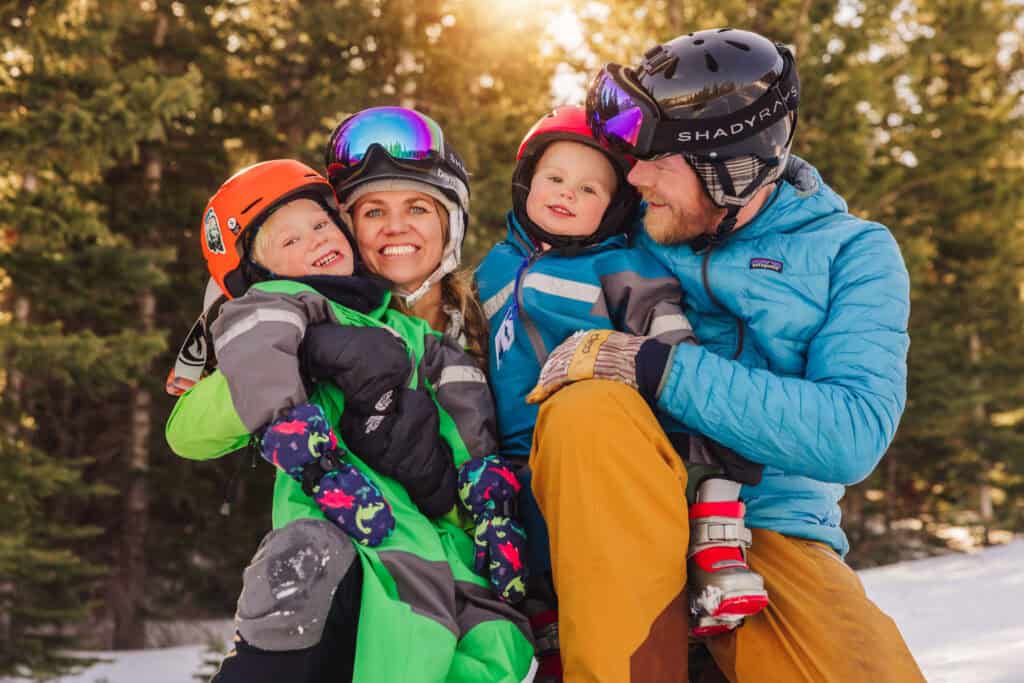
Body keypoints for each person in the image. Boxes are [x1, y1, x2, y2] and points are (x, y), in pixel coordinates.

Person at [524, 28, 926, 681]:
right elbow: (516, 259)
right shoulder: (635, 222)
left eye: (660, 161)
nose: (635, 175)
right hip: (625, 514)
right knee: (587, 406)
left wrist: (658, 367)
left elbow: (852, 432)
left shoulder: (852, 253)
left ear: (729, 169)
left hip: (772, 528)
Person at [166, 156, 534, 682]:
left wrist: (485, 499)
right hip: (344, 539)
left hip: (441, 554)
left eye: (319, 224)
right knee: (321, 590)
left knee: (492, 643)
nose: (315, 240)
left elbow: (466, 407)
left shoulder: (441, 329)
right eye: (289, 241)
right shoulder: (277, 315)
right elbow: (190, 428)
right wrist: (303, 364)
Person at [476, 105, 771, 676]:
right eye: (554, 179)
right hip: (518, 452)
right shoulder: (492, 268)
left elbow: (671, 348)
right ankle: (556, 640)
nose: (566, 194)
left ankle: (713, 553)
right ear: (526, 183)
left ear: (613, 206)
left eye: (588, 188)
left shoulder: (619, 267)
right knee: (542, 562)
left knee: (628, 530)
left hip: (605, 446)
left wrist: (691, 407)